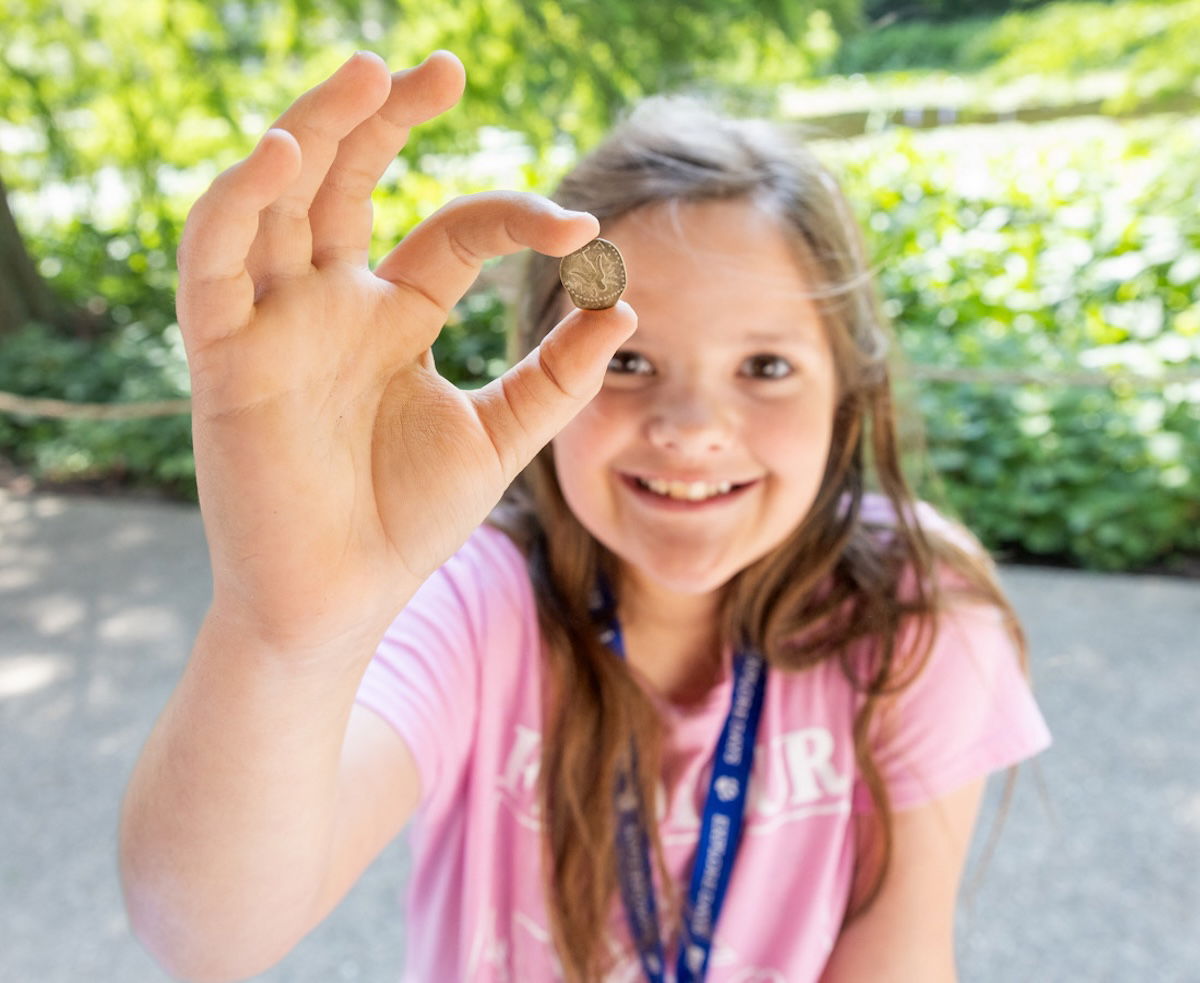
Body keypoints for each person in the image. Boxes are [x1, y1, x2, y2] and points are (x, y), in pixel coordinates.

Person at [119, 48, 1051, 983]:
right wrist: (286, 627)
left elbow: (902, 955)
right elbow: (205, 930)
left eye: (765, 367)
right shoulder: (476, 599)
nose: (691, 431)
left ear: (848, 392)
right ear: (544, 370)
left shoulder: (916, 613)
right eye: (627, 360)